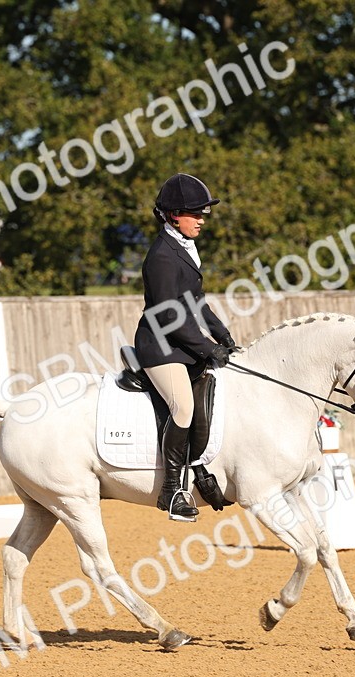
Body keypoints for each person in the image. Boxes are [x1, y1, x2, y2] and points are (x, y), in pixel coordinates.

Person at [133, 173, 235, 521]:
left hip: (183, 343)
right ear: (174, 214)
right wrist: (207, 349)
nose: (202, 219)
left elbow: (196, 304)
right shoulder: (162, 256)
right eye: (196, 214)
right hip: (160, 347)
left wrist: (222, 335)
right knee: (183, 406)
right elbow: (168, 317)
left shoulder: (184, 248)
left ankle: (203, 470)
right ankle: (173, 490)